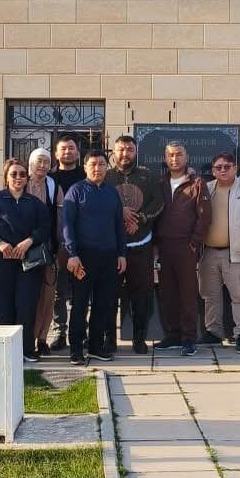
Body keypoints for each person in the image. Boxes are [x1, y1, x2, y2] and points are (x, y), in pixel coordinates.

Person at [0, 158, 51, 362]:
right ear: (6, 177)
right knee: (3, 308)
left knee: (26, 306)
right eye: (13, 174)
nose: (18, 178)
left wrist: (29, 241)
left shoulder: (35, 203)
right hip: (0, 261)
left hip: (28, 262)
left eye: (22, 174)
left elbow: (45, 228)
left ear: (27, 178)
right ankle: (6, 352)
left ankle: (26, 349)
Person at [63, 150, 126, 365]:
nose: (97, 168)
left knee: (103, 304)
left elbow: (118, 225)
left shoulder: (112, 192)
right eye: (93, 164)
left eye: (101, 164)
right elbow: (67, 225)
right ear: (85, 167)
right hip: (83, 257)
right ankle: (76, 349)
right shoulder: (76, 191)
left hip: (108, 256)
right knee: (80, 304)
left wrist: (121, 253)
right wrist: (72, 254)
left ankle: (96, 347)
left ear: (107, 167)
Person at [198, 152, 240, 353]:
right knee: (210, 295)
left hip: (237, 253)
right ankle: (213, 332)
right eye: (218, 167)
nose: (223, 170)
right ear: (213, 171)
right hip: (209, 253)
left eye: (227, 166)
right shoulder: (207, 189)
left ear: (235, 168)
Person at [105, 135, 164, 353]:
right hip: (111, 247)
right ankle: (109, 339)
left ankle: (139, 339)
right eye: (121, 149)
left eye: (129, 149)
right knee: (109, 295)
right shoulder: (106, 177)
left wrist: (140, 219)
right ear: (114, 152)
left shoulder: (148, 176)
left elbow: (158, 202)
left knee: (141, 295)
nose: (125, 154)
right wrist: (119, 213)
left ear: (135, 152)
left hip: (140, 245)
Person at [153, 142, 212, 357]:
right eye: (170, 155)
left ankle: (189, 338)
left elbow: (205, 217)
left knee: (187, 295)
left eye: (178, 155)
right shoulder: (161, 183)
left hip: (186, 247)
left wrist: (194, 243)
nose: (174, 159)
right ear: (165, 159)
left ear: (186, 157)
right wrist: (155, 245)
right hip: (164, 247)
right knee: (167, 294)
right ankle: (173, 335)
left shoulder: (197, 183)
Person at [49, 136, 85, 351]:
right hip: (58, 243)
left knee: (82, 291)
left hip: (84, 242)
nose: (67, 152)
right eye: (63, 148)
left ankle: (80, 332)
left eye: (71, 148)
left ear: (78, 153)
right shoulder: (50, 179)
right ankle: (59, 331)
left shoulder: (86, 176)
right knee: (58, 292)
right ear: (56, 153)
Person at [27, 147, 62, 356]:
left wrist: (58, 246)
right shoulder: (22, 182)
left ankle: (42, 339)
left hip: (48, 249)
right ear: (31, 163)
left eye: (46, 162)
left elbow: (61, 218)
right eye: (38, 161)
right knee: (28, 296)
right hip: (24, 250)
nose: (42, 165)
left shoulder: (54, 186)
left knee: (47, 297)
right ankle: (27, 338)